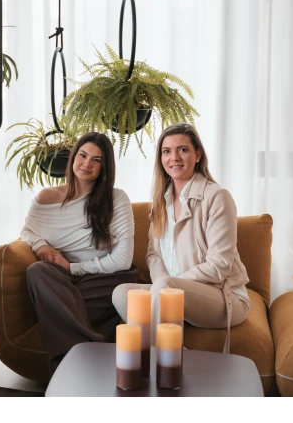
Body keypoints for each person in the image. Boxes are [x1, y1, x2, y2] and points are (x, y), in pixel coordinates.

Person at [112, 123, 250, 352]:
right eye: (166, 151)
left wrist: (170, 285)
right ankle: (171, 350)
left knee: (166, 287)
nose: (174, 158)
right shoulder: (161, 201)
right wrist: (164, 287)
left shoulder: (217, 197)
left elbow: (219, 265)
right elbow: (153, 254)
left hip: (223, 297)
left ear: (198, 155)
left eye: (183, 150)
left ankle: (152, 360)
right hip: (175, 293)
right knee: (122, 294)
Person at [23, 132, 139, 375]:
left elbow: (122, 260)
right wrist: (39, 245)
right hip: (67, 280)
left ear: (105, 167)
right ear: (73, 156)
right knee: (37, 271)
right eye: (83, 155)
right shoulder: (46, 198)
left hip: (107, 279)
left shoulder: (116, 199)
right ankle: (90, 360)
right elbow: (28, 231)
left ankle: (69, 371)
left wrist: (72, 268)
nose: (87, 164)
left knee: (57, 303)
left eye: (96, 160)